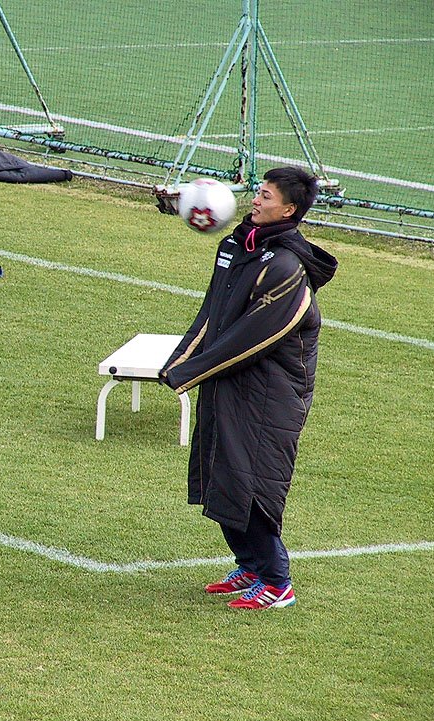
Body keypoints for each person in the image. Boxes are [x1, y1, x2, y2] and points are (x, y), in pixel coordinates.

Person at [160, 167, 338, 610]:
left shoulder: (287, 267)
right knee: (220, 476)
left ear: (289, 210)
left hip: (270, 394)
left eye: (266, 196)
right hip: (230, 381)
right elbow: (213, 314)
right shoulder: (235, 246)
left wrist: (191, 372)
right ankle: (251, 566)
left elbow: (253, 338)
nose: (255, 200)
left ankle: (277, 582)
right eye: (258, 192)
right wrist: (178, 363)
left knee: (253, 483)